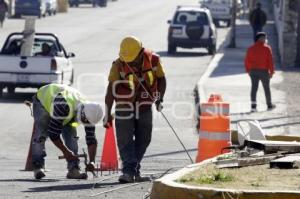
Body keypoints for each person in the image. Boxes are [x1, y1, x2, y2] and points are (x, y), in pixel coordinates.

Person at [103, 36, 166, 183]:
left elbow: (162, 79)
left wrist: (160, 99)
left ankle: (133, 169)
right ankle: (128, 171)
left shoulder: (154, 60)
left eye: (132, 58)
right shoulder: (118, 65)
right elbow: (111, 90)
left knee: (144, 138)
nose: (129, 61)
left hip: (144, 105)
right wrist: (107, 113)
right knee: (125, 139)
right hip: (124, 106)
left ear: (140, 52)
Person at [31, 83, 103, 180]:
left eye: (87, 122)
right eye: (84, 120)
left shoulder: (90, 112)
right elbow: (53, 134)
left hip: (67, 108)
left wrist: (92, 162)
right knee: (41, 134)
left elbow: (91, 140)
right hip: (43, 102)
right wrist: (66, 152)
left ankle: (73, 169)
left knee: (72, 138)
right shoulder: (63, 105)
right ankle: (38, 166)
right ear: (81, 112)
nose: (85, 123)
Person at [244, 32, 275, 112]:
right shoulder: (267, 48)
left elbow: (247, 60)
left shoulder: (250, 48)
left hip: (253, 71)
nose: (266, 39)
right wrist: (271, 72)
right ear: (260, 38)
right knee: (266, 88)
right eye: (264, 38)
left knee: (254, 88)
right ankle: (269, 105)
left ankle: (253, 106)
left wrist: (248, 70)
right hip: (264, 71)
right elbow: (270, 61)